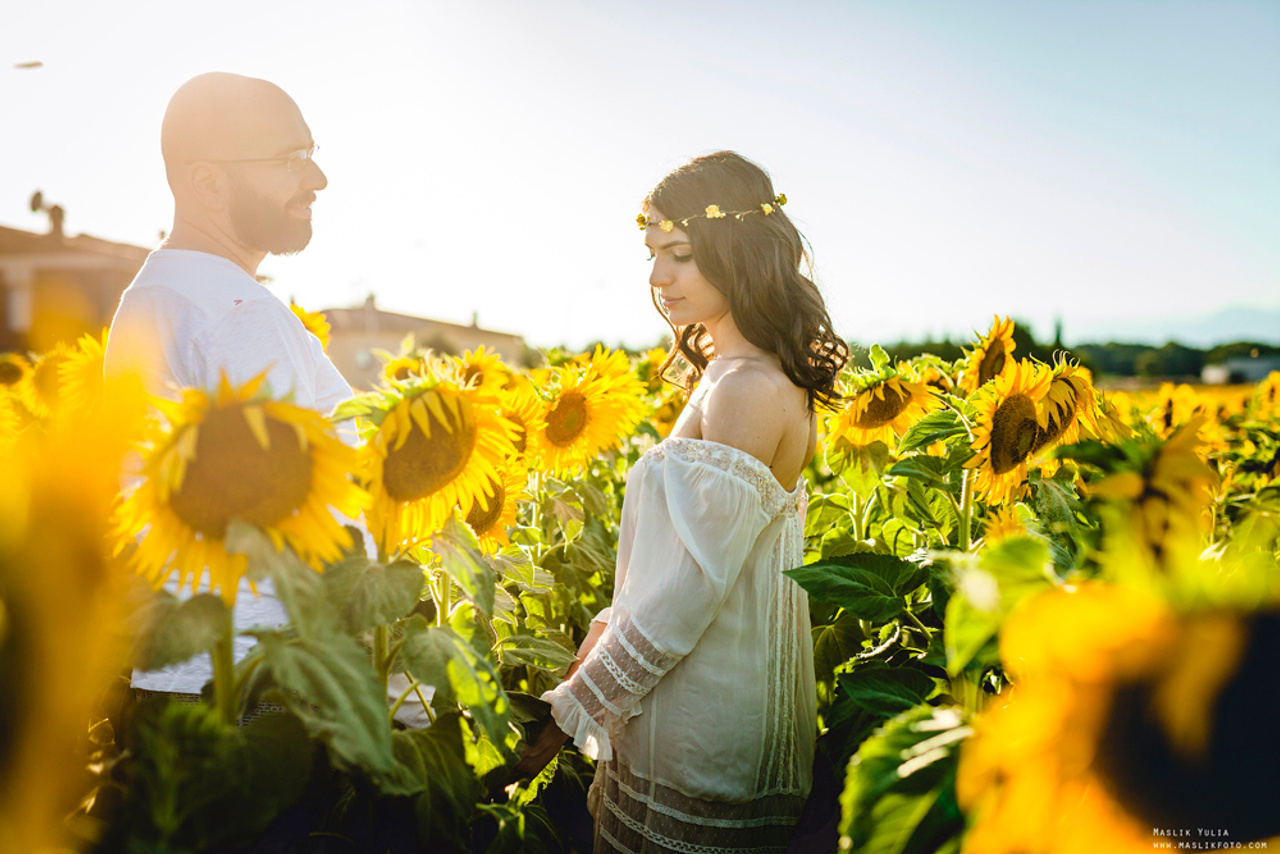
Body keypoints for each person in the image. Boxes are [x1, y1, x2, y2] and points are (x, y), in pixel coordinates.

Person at [516, 151, 848, 853]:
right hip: (692, 702)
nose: (658, 277)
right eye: (652, 254)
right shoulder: (732, 374)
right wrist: (595, 647)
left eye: (681, 255)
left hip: (706, 724)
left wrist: (563, 720)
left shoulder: (745, 391)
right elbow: (668, 569)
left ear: (739, 252)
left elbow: (684, 597)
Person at [103, 73, 428, 726]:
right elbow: (314, 531)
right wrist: (411, 709)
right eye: (290, 160)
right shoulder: (237, 314)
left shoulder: (153, 298)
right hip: (262, 691)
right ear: (209, 184)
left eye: (311, 152)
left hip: (178, 682)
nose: (318, 179)